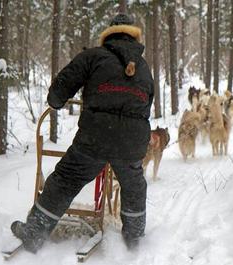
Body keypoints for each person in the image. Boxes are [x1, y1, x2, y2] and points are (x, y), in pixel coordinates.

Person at [11, 13, 154, 253]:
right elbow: (147, 102)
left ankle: (35, 233)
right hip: (132, 140)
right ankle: (134, 238)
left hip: (95, 137)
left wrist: (56, 102)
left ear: (109, 33)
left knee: (66, 180)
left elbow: (59, 91)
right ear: (133, 36)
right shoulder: (143, 67)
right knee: (133, 185)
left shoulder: (93, 56)